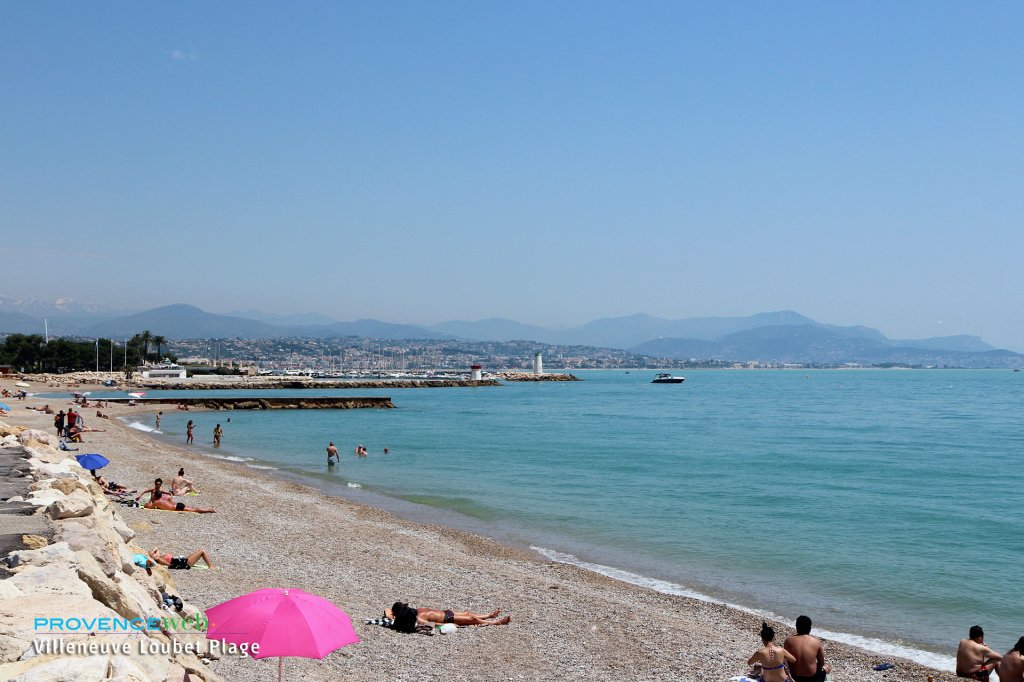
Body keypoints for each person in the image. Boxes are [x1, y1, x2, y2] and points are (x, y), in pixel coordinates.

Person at [385, 602, 510, 632]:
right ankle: (497, 623)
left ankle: (489, 615)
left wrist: (393, 616)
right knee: (472, 620)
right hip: (447, 619)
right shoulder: (416, 618)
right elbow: (432, 625)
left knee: (469, 614)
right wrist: (448, 625)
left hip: (446, 612)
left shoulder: (413, 612)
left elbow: (387, 611)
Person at [784, 616, 832, 682]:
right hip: (811, 679)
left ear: (796, 627)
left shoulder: (788, 641)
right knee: (827, 667)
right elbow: (821, 663)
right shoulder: (816, 642)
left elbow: (786, 661)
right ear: (810, 628)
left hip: (793, 677)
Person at [144, 490, 215, 513]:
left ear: (155, 496)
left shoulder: (157, 502)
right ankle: (207, 509)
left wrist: (151, 499)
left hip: (176, 507)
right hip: (177, 504)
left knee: (194, 510)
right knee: (193, 508)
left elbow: (148, 507)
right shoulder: (164, 497)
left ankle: (208, 510)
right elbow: (170, 497)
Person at [149, 546, 215, 570]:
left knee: (199, 551)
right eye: (153, 554)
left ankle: (210, 565)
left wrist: (153, 553)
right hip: (185, 563)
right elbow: (169, 565)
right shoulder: (159, 559)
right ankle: (211, 566)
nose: (155, 553)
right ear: (152, 558)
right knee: (202, 551)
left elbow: (156, 548)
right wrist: (180, 566)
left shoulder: (159, 557)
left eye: (154, 552)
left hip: (183, 560)